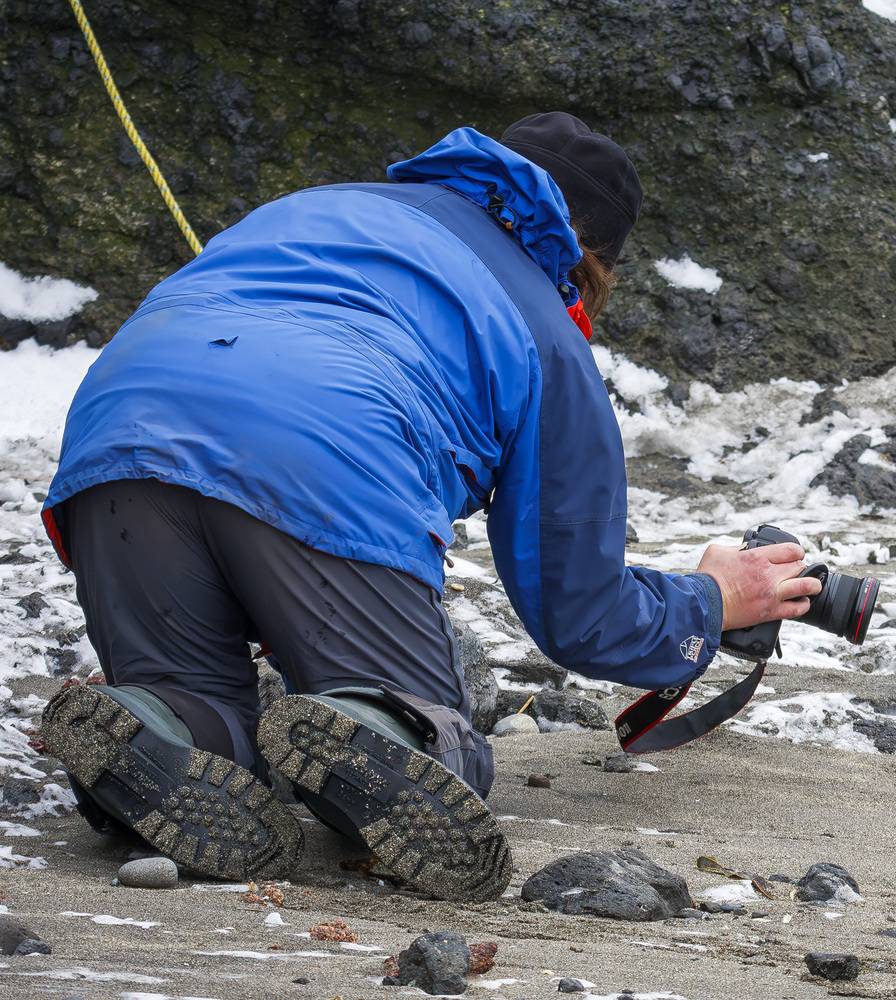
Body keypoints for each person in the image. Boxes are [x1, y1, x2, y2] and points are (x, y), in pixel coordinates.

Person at [36, 113, 820, 901]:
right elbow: (580, 609)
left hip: (117, 428)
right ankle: (383, 724)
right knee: (424, 741)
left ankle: (151, 721)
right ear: (585, 264)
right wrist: (714, 600)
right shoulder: (546, 325)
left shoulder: (318, 205)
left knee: (201, 718)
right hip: (325, 435)